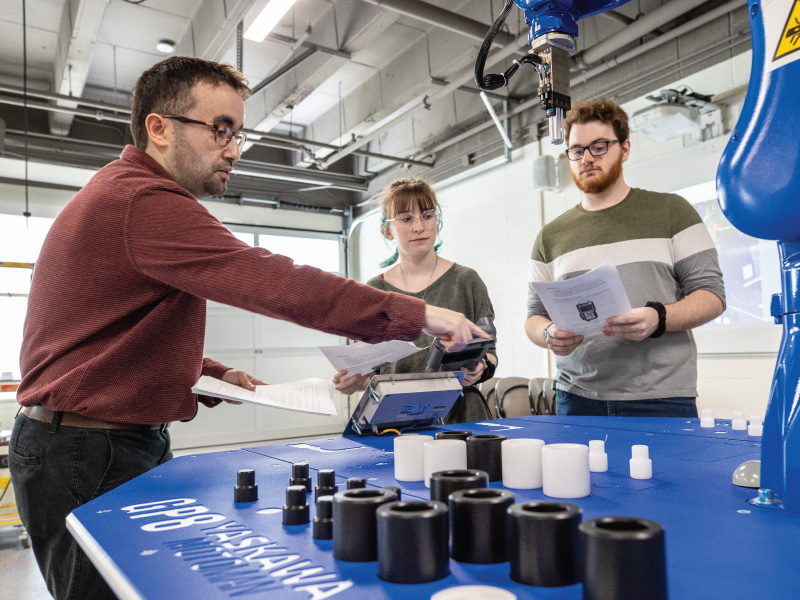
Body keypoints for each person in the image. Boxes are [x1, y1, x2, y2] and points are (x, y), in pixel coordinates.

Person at [8, 57, 485, 600]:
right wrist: (415, 312)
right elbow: (270, 279)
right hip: (88, 451)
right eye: (220, 130)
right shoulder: (143, 199)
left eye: (237, 134)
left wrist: (203, 372)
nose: (233, 149)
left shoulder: (122, 195)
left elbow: (99, 335)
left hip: (91, 441)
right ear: (158, 128)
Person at [525, 98, 725, 417]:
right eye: (577, 150)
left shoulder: (673, 211)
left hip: (661, 396)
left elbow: (712, 296)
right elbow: (534, 316)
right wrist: (548, 333)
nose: (587, 158)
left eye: (600, 146)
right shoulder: (549, 236)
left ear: (625, 148)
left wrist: (658, 317)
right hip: (577, 397)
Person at [333, 178, 498, 423]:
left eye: (427, 216)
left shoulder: (466, 280)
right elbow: (372, 372)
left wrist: (481, 368)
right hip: (396, 420)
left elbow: (491, 353)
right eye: (407, 219)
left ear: (437, 222)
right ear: (386, 230)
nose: (419, 227)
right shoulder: (374, 292)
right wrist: (355, 382)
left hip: (462, 418)